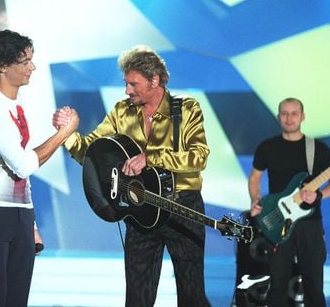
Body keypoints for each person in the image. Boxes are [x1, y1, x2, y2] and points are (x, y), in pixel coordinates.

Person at [53, 44, 211, 307]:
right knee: (137, 298)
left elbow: (199, 157)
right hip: (139, 210)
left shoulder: (185, 109)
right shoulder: (121, 111)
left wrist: (150, 158)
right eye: (126, 83)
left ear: (155, 80)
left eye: (133, 84)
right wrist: (66, 134)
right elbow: (91, 153)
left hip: (182, 207)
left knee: (192, 294)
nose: (127, 90)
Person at [0, 29, 79, 307]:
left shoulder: (15, 106)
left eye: (31, 59)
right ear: (3, 66)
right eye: (25, 61)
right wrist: (63, 134)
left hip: (19, 214)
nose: (32, 67)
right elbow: (23, 165)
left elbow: (21, 179)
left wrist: (32, 223)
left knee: (17, 300)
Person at [248, 97, 330, 307]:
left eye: (294, 113)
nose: (289, 118)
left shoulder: (319, 150)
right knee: (277, 283)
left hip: (310, 224)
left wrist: (319, 195)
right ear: (278, 117)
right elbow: (255, 178)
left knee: (314, 283)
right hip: (277, 222)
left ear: (302, 117)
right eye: (284, 113)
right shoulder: (267, 147)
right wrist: (255, 200)